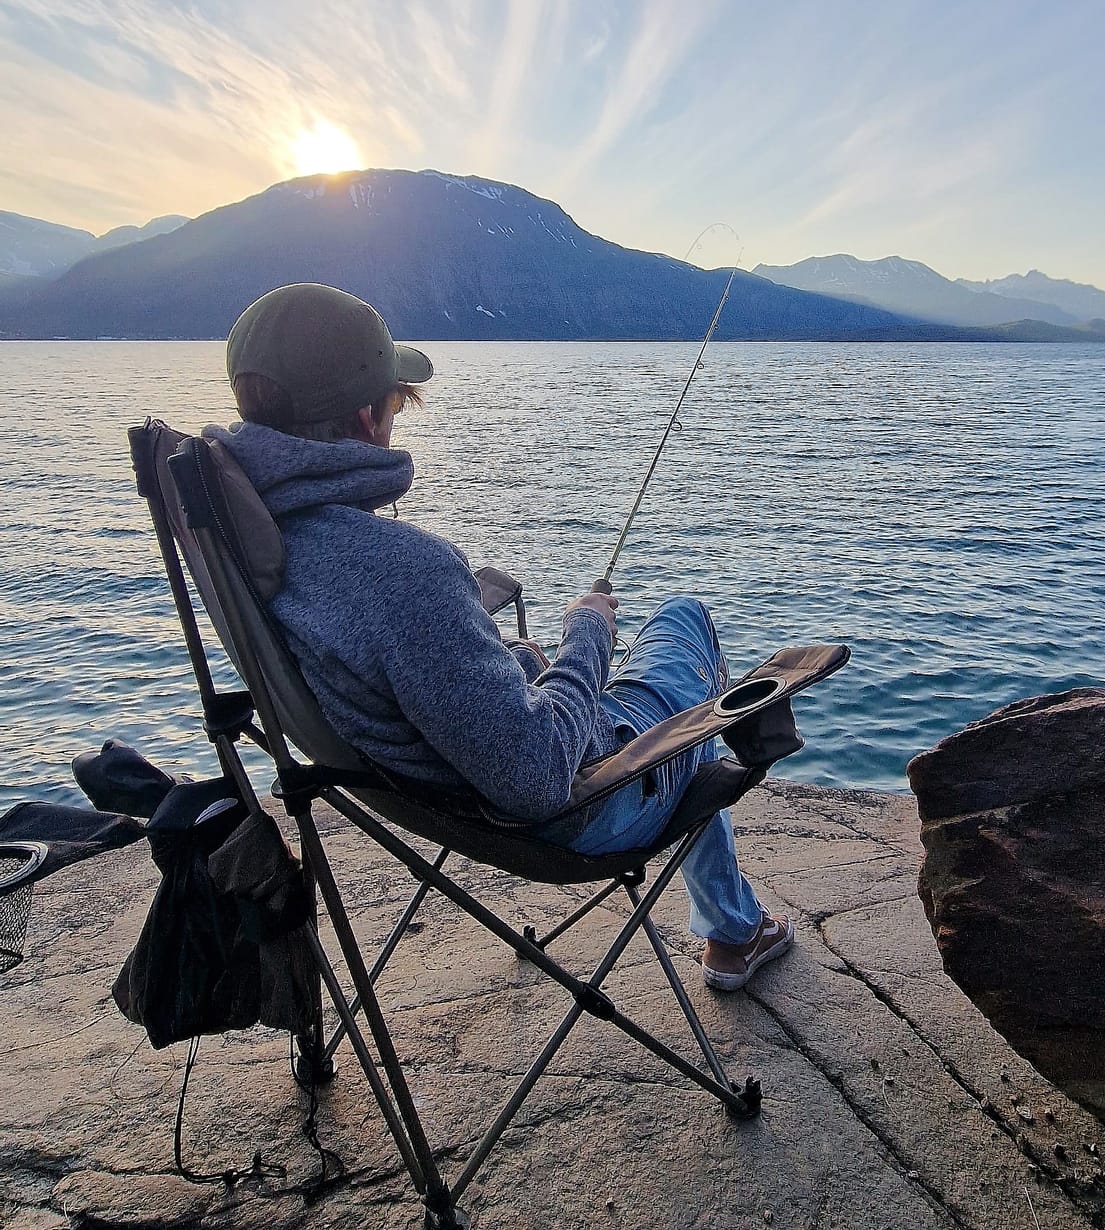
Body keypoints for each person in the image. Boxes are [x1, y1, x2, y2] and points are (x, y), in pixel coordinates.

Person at [215, 282, 794, 990]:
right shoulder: (402, 571)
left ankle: (733, 922)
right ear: (368, 418)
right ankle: (736, 931)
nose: (396, 418)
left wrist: (517, 666)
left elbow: (426, 680)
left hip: (449, 786)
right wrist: (589, 631)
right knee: (683, 622)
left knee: (568, 663)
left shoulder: (261, 538)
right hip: (589, 802)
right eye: (397, 404)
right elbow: (538, 776)